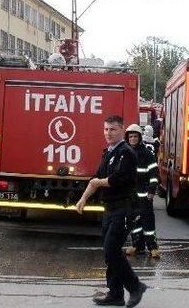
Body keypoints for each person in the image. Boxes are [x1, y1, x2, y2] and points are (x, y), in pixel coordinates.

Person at [75, 115, 148, 308]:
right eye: (106, 129)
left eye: (113, 129)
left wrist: (97, 183)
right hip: (109, 209)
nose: (108, 133)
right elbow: (97, 178)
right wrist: (83, 198)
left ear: (122, 130)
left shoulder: (127, 153)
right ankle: (115, 294)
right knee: (111, 252)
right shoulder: (108, 152)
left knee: (111, 250)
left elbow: (116, 179)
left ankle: (135, 287)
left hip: (124, 209)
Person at [124, 124, 161, 259]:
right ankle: (137, 246)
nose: (132, 139)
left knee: (147, 222)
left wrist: (151, 191)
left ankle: (153, 248)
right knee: (133, 222)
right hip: (131, 196)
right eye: (130, 136)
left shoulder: (147, 154)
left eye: (135, 136)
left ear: (139, 138)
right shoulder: (125, 153)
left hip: (144, 195)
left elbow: (154, 174)